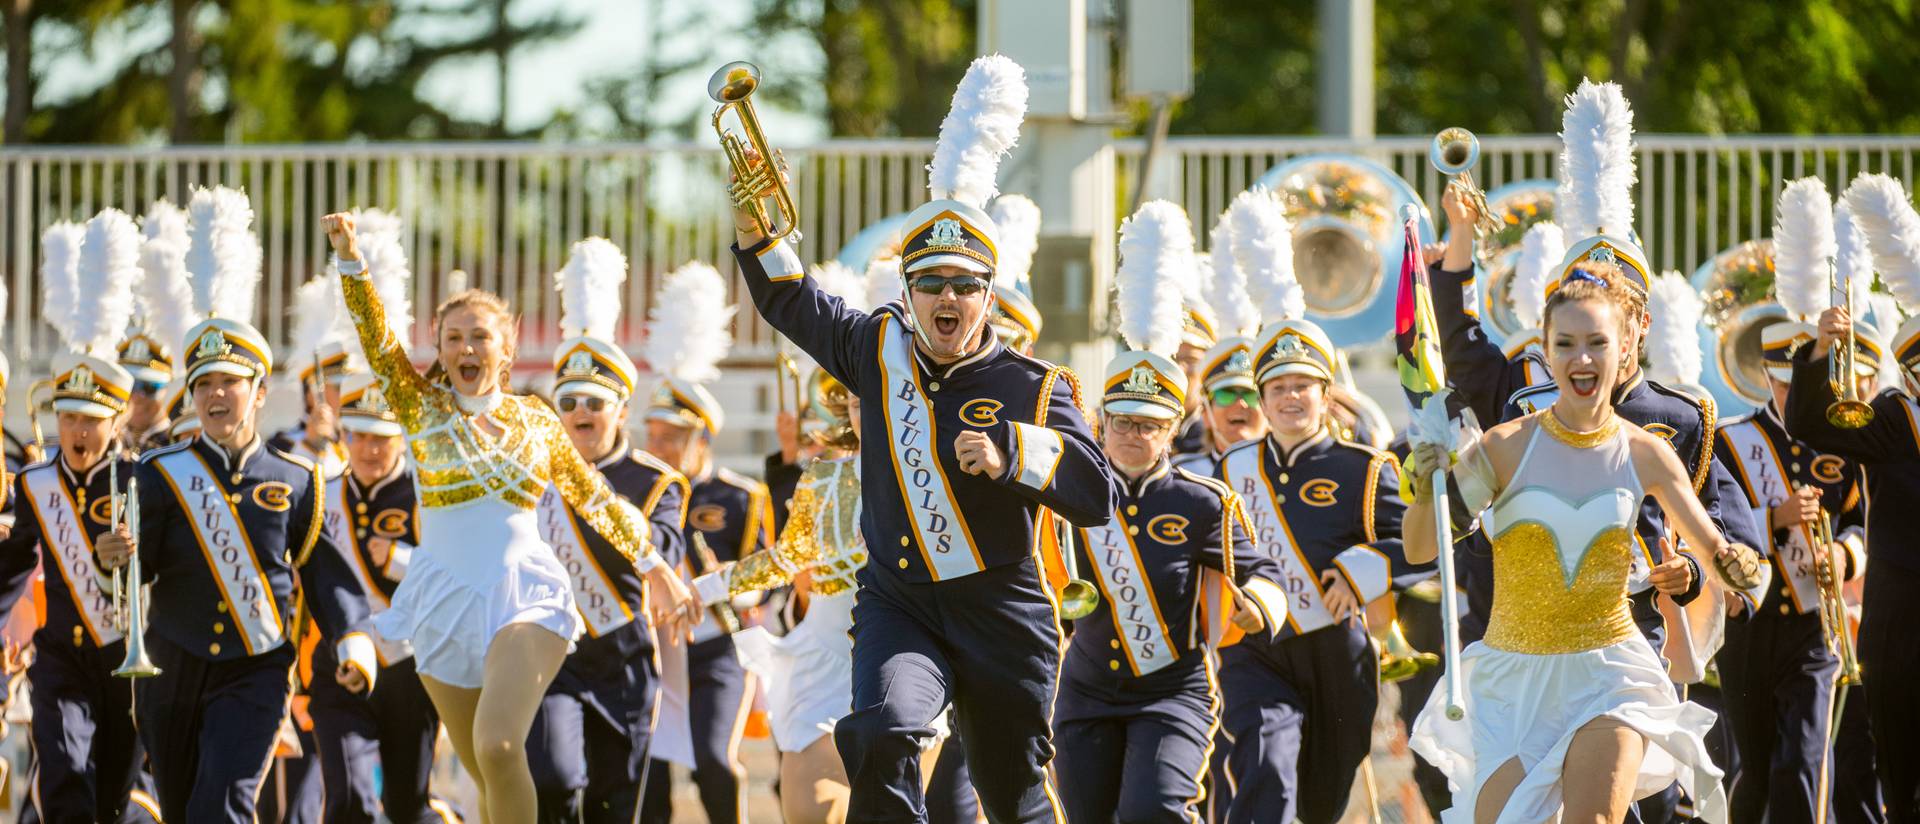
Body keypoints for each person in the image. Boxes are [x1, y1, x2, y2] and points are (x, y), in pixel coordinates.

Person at [733, 53, 1117, 822]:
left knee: (1013, 800)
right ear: (908, 293)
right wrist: (754, 230)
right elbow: (791, 299)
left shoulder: (1037, 386)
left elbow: (1097, 494)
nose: (948, 296)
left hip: (1005, 615)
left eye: (965, 284)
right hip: (899, 603)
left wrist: (1017, 455)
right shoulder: (877, 350)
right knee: (883, 731)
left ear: (989, 295)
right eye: (931, 283)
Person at [323, 211, 695, 824]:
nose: (466, 348)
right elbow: (377, 339)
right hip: (441, 605)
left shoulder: (538, 420)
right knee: (488, 774)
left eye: (480, 336)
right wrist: (349, 259)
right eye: (453, 338)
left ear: (508, 346)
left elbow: (596, 501)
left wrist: (656, 565)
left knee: (499, 745)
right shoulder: (419, 410)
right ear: (438, 349)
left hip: (526, 599)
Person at [1405, 265, 1762, 823]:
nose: (1583, 359)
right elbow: (1421, 549)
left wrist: (1736, 566)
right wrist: (1426, 493)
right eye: (1566, 344)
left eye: (1598, 343)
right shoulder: (1503, 448)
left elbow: (1715, 548)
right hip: (1514, 678)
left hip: (1610, 672)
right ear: (1546, 351)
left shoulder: (1646, 452)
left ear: (1625, 349)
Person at [99, 184, 374, 823]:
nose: (216, 394)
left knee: (222, 804)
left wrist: (352, 636)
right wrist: (115, 558)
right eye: (204, 384)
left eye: (230, 382)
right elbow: (135, 570)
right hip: (169, 666)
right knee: (180, 806)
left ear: (256, 390)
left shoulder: (298, 477)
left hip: (256, 669)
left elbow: (324, 570)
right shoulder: (159, 471)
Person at [1052, 201, 1287, 823]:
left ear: (1173, 428)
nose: (1133, 434)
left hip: (1172, 692)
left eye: (1149, 424)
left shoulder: (1202, 501)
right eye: (1122, 421)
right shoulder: (1069, 491)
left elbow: (1260, 568)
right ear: (1102, 424)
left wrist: (1256, 605)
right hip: (1083, 689)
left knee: (1154, 812)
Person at [1211, 317, 1414, 824]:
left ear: (1326, 394)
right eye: (1277, 387)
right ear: (1262, 397)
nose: (1290, 397)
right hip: (1257, 649)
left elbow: (1418, 545)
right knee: (1266, 763)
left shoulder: (1365, 467)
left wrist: (1359, 571)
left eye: (1302, 384)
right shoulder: (1233, 469)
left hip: (1336, 656)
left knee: (1321, 802)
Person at [527, 238, 691, 824]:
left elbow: (663, 553)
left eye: (593, 401)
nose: (579, 412)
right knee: (553, 781)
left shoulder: (656, 482)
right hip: (550, 652)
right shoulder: (533, 472)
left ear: (621, 408)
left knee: (616, 804)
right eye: (567, 400)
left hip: (622, 659)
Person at [1782, 176, 1920, 822]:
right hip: (1904, 621)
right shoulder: (1900, 419)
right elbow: (1810, 425)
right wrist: (1817, 352)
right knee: (1903, 781)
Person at [635, 260, 771, 824]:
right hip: (649, 646)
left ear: (702, 436)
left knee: (715, 761)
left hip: (716, 644)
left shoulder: (741, 496)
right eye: (655, 434)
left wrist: (720, 580)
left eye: (673, 436)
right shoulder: (633, 486)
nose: (661, 445)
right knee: (647, 778)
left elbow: (768, 576)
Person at [304, 370, 460, 824]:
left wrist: (398, 559)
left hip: (409, 667)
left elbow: (454, 577)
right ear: (345, 435)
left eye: (383, 438)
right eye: (361, 436)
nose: (371, 449)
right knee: (348, 799)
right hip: (338, 663)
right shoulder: (319, 494)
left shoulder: (427, 496)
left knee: (407, 805)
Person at [1171, 337, 1265, 477]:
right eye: (1226, 395)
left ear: (1268, 409)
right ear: (1206, 414)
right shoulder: (1182, 474)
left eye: (1250, 395)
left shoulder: (1293, 471)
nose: (1240, 403)